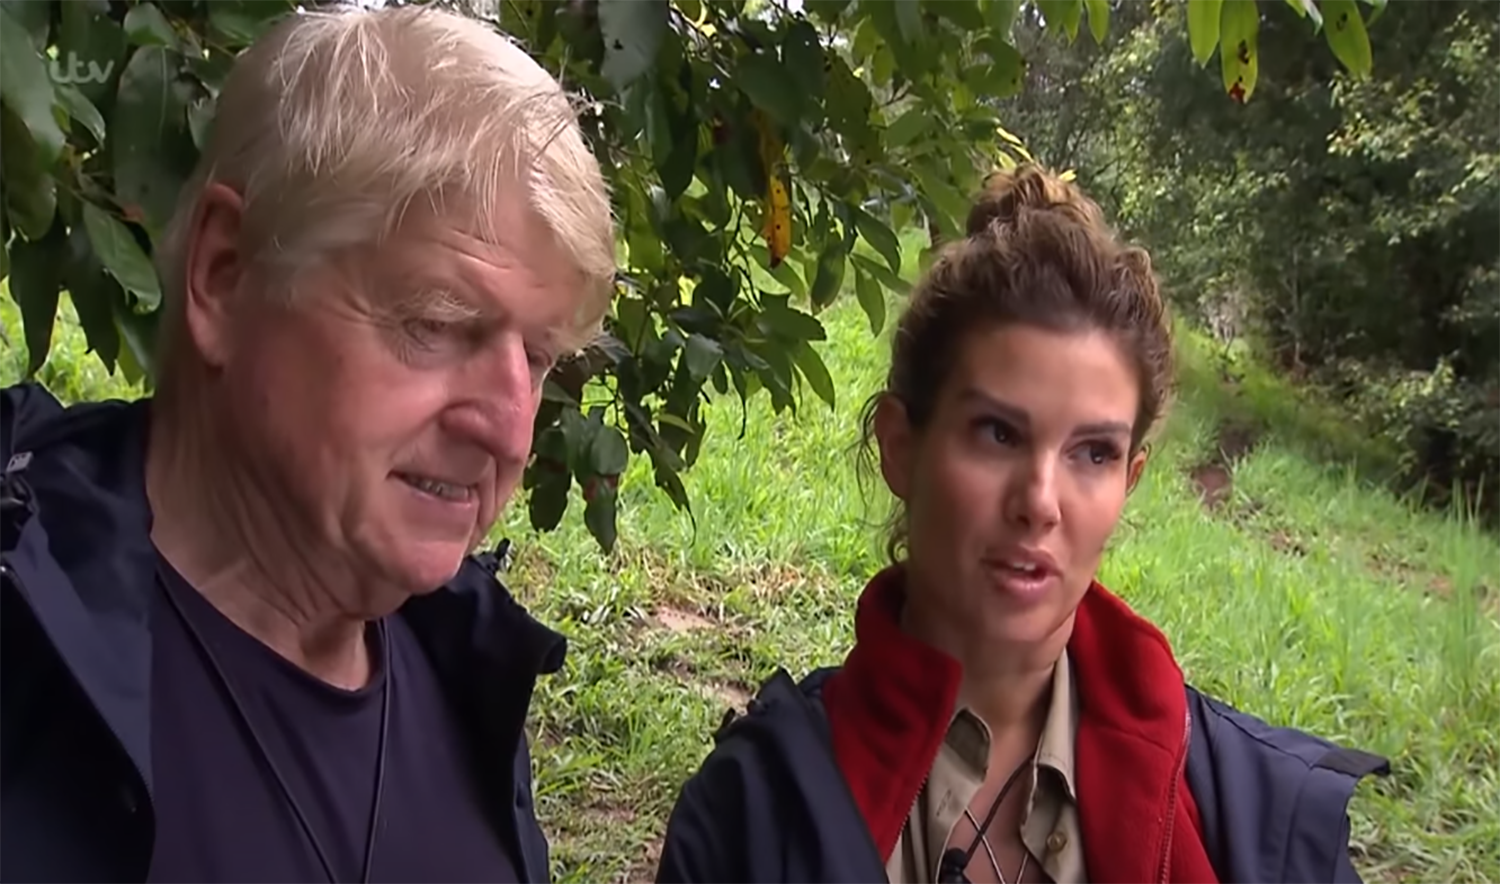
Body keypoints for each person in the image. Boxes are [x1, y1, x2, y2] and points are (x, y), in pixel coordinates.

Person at [0, 6, 614, 884]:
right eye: (436, 324)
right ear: (225, 274)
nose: (511, 428)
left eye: (540, 358)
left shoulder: (469, 672)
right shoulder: (27, 671)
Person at [652, 166, 1389, 884]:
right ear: (901, 448)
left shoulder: (1264, 824)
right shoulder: (752, 818)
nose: (1041, 500)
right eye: (998, 434)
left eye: (1093, 453)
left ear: (1129, 482)